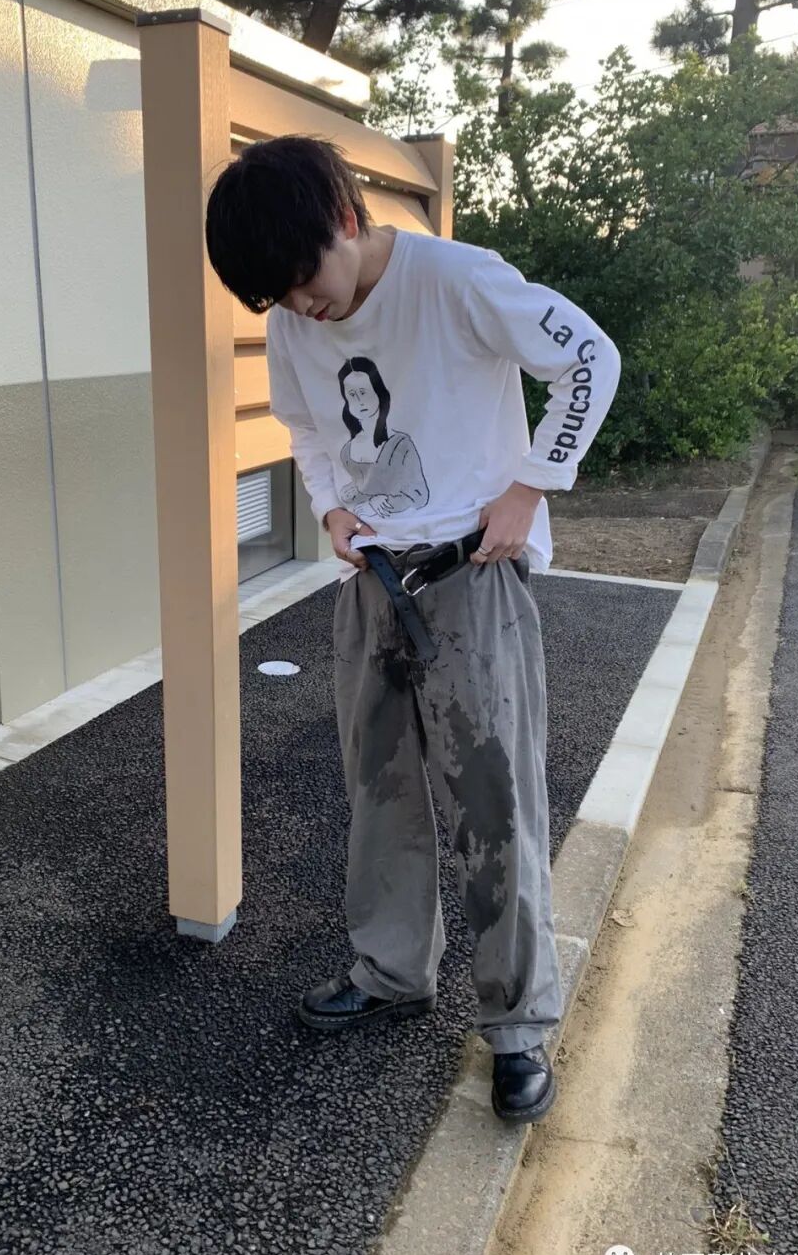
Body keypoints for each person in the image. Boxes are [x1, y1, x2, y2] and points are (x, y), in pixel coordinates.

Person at [205, 134, 621, 1124]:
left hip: (473, 576)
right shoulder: (296, 318)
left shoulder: (456, 278)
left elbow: (590, 357)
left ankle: (516, 1025)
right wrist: (330, 508)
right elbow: (308, 425)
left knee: (495, 803)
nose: (301, 305)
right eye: (277, 296)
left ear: (345, 219)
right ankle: (391, 970)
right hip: (374, 583)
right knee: (378, 793)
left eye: (304, 277)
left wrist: (531, 486)